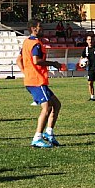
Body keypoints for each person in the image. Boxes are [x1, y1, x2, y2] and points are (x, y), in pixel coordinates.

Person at [17, 19, 63, 148]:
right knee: (47, 107)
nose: (42, 29)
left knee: (56, 105)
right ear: (33, 28)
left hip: (34, 79)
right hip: (36, 81)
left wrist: (26, 72)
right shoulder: (36, 44)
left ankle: (49, 133)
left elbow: (18, 60)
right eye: (40, 27)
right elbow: (36, 61)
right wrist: (53, 63)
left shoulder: (27, 42)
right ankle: (37, 137)